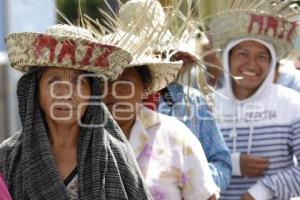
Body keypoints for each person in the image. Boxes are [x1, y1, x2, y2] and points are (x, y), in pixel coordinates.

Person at [0, 24, 152, 199]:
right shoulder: (8, 157)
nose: (65, 93)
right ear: (36, 90)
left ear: (92, 94)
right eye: (54, 81)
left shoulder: (117, 156)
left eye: (79, 82)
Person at [118, 0, 232, 191]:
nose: (145, 65)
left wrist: (188, 179)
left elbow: (221, 163)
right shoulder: (103, 104)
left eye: (152, 55)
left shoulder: (191, 102)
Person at [99, 30, 220, 199]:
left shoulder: (175, 136)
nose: (113, 90)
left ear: (144, 87)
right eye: (104, 80)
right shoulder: (77, 137)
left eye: (125, 82)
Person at [203, 0, 300, 199]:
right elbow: (187, 163)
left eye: (262, 57)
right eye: (242, 54)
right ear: (228, 59)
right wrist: (233, 163)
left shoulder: (292, 105)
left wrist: (263, 191)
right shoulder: (207, 105)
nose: (251, 64)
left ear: (272, 62)